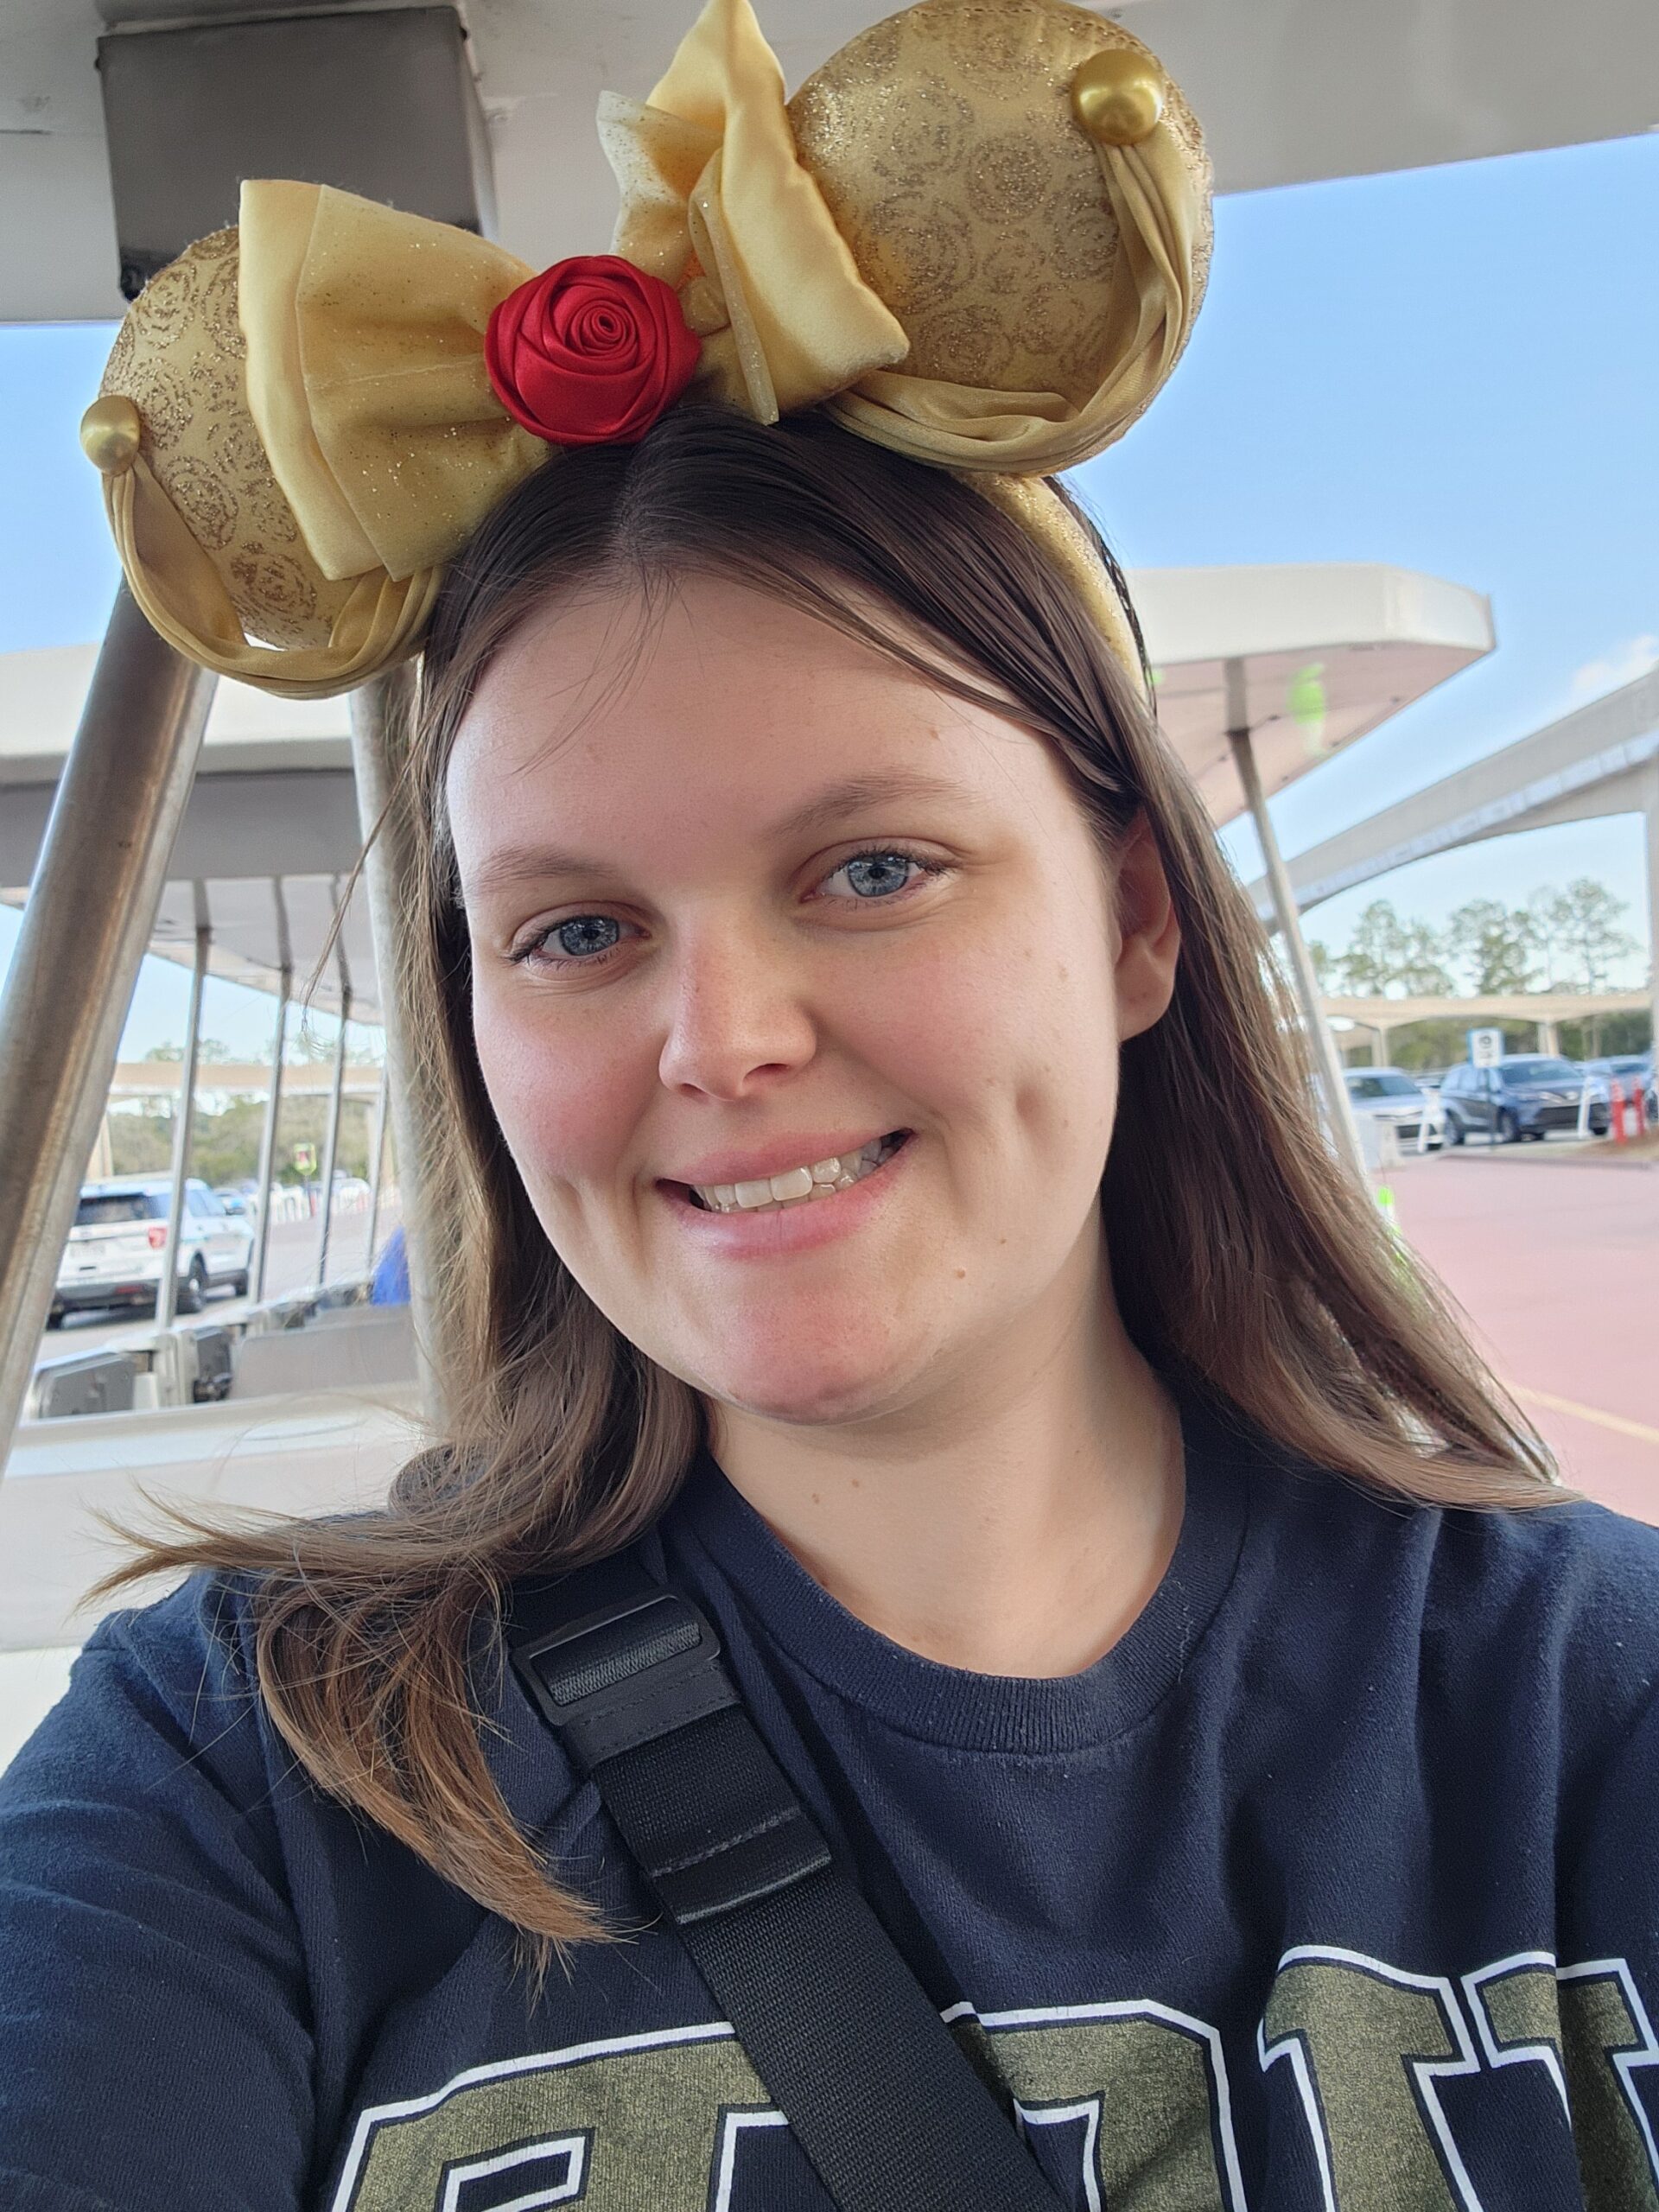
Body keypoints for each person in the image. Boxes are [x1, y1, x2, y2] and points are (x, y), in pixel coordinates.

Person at [6, 3, 1658, 2208]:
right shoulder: (245, 1770)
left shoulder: (1583, 1711)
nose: (725, 1038)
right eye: (576, 929)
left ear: (1138, 919)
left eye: (872, 868)